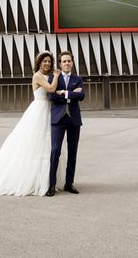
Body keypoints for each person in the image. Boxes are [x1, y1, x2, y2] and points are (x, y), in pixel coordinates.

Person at [0, 51, 63, 196]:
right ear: (39, 63)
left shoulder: (49, 76)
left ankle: (47, 180)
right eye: (44, 61)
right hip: (39, 110)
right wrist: (57, 76)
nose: (47, 64)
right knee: (32, 143)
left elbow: (55, 90)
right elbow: (51, 88)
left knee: (47, 144)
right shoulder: (38, 75)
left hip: (49, 110)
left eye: (49, 61)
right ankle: (31, 180)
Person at [47, 50, 86, 196]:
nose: (67, 63)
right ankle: (51, 184)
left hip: (74, 120)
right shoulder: (54, 77)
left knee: (73, 153)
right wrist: (71, 94)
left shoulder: (78, 78)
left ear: (72, 62)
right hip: (58, 119)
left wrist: (63, 93)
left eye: (69, 61)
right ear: (60, 63)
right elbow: (51, 96)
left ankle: (69, 183)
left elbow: (81, 96)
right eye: (64, 61)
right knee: (55, 151)